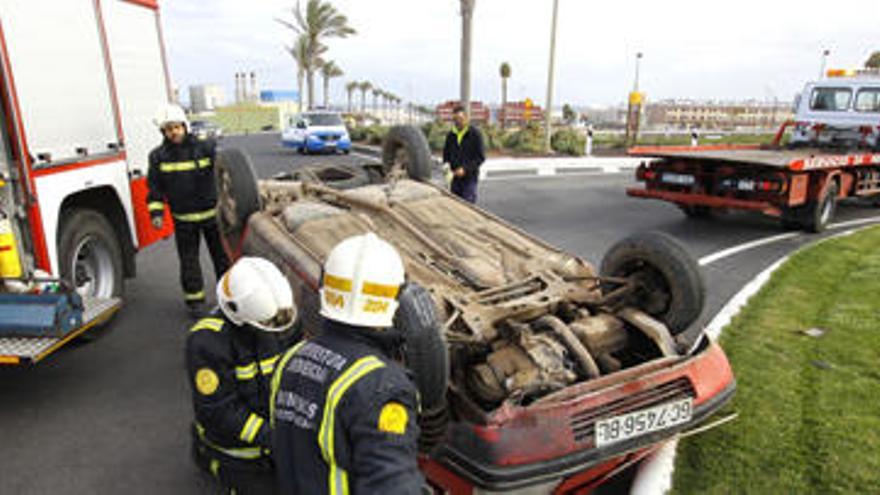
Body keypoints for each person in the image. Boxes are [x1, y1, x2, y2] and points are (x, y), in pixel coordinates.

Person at [271, 232, 423, 495]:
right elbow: (392, 485)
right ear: (395, 299)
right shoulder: (382, 387)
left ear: (325, 288)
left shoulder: (291, 358)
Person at [186, 257, 300, 495]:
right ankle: (208, 460)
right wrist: (274, 436)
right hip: (237, 453)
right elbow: (218, 410)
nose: (275, 327)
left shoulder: (278, 316)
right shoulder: (208, 342)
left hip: (277, 442)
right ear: (238, 314)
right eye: (267, 322)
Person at [147, 103, 229, 317]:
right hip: (183, 220)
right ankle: (195, 302)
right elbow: (154, 187)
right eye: (168, 129)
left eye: (176, 127)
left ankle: (228, 299)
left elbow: (225, 170)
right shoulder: (158, 156)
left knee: (222, 259)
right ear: (163, 132)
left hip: (212, 217)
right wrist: (156, 213)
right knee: (189, 262)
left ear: (185, 126)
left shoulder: (205, 148)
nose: (173, 132)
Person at [442, 105, 485, 203]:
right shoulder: (450, 135)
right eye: (455, 119)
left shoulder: (475, 134)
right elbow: (446, 154)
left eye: (460, 119)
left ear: (466, 118)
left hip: (469, 179)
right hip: (454, 179)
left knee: (468, 206)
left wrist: (465, 169)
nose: (457, 122)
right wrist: (446, 167)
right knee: (455, 206)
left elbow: (480, 157)